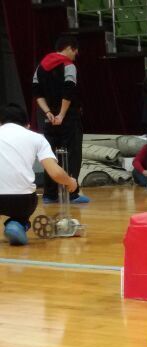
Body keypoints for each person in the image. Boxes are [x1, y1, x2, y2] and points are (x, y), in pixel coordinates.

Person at [0, 103, 78, 245]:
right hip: (21, 200)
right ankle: (17, 224)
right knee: (23, 208)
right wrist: (70, 181)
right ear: (27, 125)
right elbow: (55, 173)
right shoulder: (36, 138)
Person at [32, 34, 89, 204]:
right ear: (69, 48)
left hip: (49, 119)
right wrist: (62, 115)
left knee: (50, 155)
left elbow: (36, 92)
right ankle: (72, 193)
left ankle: (49, 195)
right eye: (75, 50)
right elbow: (68, 90)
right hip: (68, 117)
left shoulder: (40, 66)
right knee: (73, 154)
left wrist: (48, 112)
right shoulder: (68, 65)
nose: (76, 54)